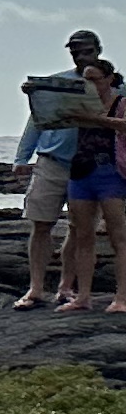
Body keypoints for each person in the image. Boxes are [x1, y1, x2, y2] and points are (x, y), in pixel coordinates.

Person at [14, 31, 108, 306]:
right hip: (52, 161)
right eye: (75, 51)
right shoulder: (57, 82)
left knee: (80, 229)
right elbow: (36, 120)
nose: (80, 55)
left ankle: (66, 287)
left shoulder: (113, 83)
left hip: (90, 164)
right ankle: (35, 289)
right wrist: (22, 157)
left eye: (86, 50)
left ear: (98, 50)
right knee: (41, 224)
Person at [67, 54, 126, 312]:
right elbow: (48, 113)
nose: (91, 85)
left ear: (109, 79)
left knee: (118, 237)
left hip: (111, 173)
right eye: (86, 80)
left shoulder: (121, 102)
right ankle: (83, 297)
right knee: (82, 235)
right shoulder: (78, 103)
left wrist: (96, 120)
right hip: (81, 171)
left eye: (95, 80)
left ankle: (121, 298)